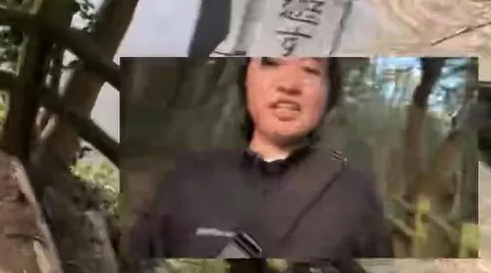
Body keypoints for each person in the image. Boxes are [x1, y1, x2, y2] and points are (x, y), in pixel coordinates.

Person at [126, 57, 392, 264]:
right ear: (245, 80)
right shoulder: (186, 180)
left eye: (310, 70)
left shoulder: (355, 197)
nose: (289, 85)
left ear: (329, 95)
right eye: (271, 62)